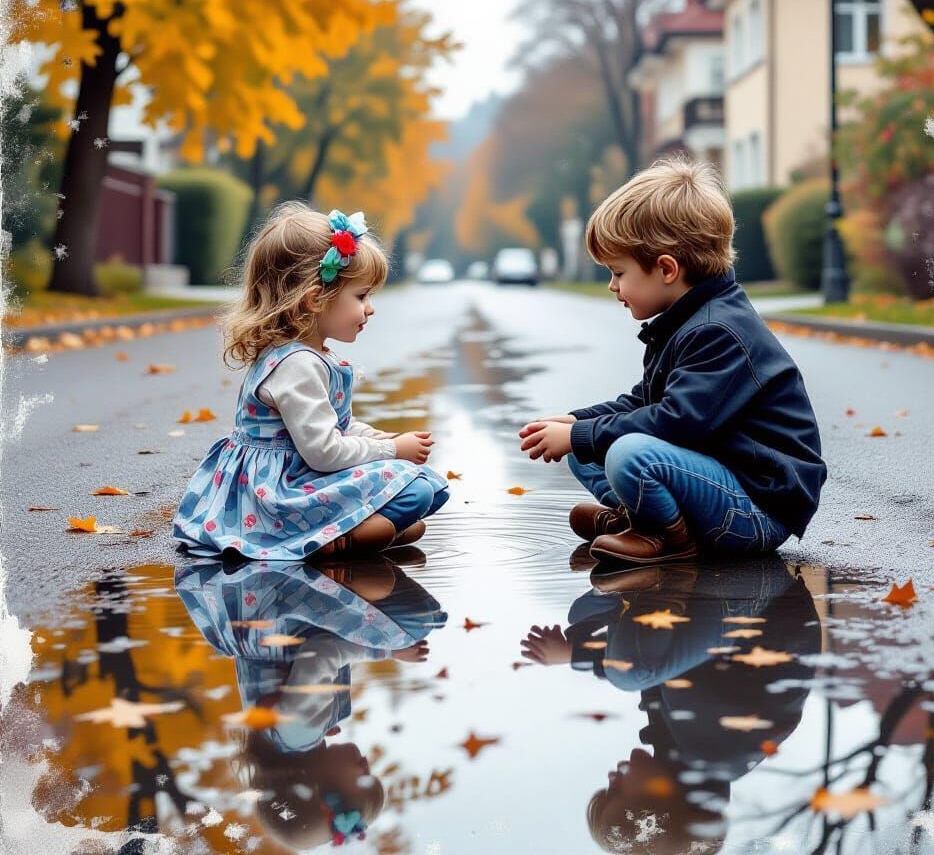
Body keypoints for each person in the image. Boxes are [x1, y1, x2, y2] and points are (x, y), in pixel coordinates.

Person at [518, 156, 826, 564]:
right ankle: (637, 516)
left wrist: (583, 433)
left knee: (626, 452)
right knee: (586, 445)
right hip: (721, 482)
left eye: (618, 272)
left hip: (758, 507)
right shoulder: (684, 321)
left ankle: (668, 537)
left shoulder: (718, 331)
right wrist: (575, 424)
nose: (612, 286)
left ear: (666, 268)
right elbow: (645, 400)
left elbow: (676, 423)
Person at [173, 202, 450, 561]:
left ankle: (360, 528)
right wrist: (392, 451)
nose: (371, 308)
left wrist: (384, 438)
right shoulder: (298, 365)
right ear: (316, 299)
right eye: (361, 296)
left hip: (298, 474)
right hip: (276, 496)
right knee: (416, 495)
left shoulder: (310, 354)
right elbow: (325, 452)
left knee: (430, 486)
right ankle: (330, 539)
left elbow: (333, 427)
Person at [519, 557, 820, 853]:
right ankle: (662, 573)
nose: (612, 777)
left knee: (584, 620)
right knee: (630, 672)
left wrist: (580, 643)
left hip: (736, 607)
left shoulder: (680, 749)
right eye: (618, 791)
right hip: (759, 597)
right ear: (662, 799)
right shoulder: (716, 753)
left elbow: (659, 673)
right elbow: (661, 673)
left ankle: (644, 565)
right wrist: (575, 657)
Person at [175, 556, 446, 849]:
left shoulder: (300, 732)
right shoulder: (283, 742)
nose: (367, 764)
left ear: (322, 789)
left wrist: (387, 652)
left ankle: (337, 546)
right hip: (251, 610)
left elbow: (323, 653)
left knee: (421, 620)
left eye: (364, 777)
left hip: (281, 607)